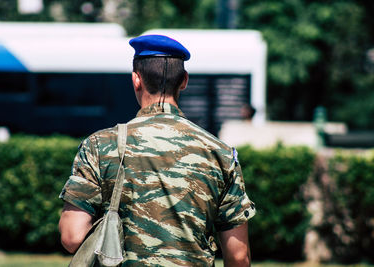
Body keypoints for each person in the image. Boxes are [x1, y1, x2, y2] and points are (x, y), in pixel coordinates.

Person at [59, 34, 256, 266]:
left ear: (136, 79)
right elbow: (238, 256)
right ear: (184, 80)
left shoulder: (99, 145)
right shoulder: (220, 153)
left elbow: (72, 237)